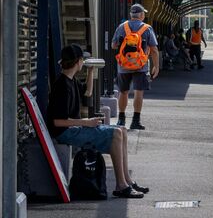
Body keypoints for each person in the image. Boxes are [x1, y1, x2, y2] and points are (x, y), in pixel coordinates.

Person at [48, 44, 149, 198]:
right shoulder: (62, 86)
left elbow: (87, 92)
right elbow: (58, 122)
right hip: (65, 132)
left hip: (73, 128)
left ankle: (127, 181)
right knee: (115, 133)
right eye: (83, 60)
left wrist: (90, 71)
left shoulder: (71, 80)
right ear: (78, 61)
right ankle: (121, 185)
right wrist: (87, 122)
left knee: (121, 130)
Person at [112, 4, 159, 130]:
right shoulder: (147, 28)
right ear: (142, 15)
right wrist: (156, 66)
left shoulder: (122, 27)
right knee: (139, 92)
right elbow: (154, 49)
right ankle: (135, 121)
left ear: (131, 15)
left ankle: (121, 120)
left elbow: (113, 45)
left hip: (124, 65)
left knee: (123, 92)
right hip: (141, 65)